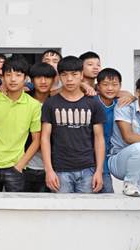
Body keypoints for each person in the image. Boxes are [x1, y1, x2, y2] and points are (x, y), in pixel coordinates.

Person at [41, 56, 106, 194]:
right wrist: (49, 170)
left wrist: (99, 171)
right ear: (59, 76)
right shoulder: (50, 103)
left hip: (88, 169)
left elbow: (99, 138)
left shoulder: (93, 103)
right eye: (64, 75)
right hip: (60, 170)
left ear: (82, 75)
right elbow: (45, 138)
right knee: (61, 207)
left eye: (74, 74)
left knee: (86, 207)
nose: (69, 79)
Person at [0, 56, 41, 192]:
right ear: (2, 77)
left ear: (25, 78)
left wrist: (20, 165)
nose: (13, 79)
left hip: (15, 167)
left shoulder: (34, 105)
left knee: (15, 205)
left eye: (18, 75)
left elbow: (36, 140)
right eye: (8, 74)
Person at [23, 62, 56, 192]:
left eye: (47, 77)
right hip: (23, 165)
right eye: (38, 77)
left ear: (54, 80)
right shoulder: (23, 100)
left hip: (51, 167)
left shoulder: (58, 103)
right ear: (31, 80)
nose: (43, 81)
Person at [95, 68, 122, 194]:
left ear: (120, 86)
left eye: (114, 84)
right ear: (98, 86)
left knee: (108, 194)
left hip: (108, 158)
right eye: (105, 84)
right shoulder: (92, 103)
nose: (110, 88)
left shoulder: (121, 105)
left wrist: (131, 97)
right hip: (89, 158)